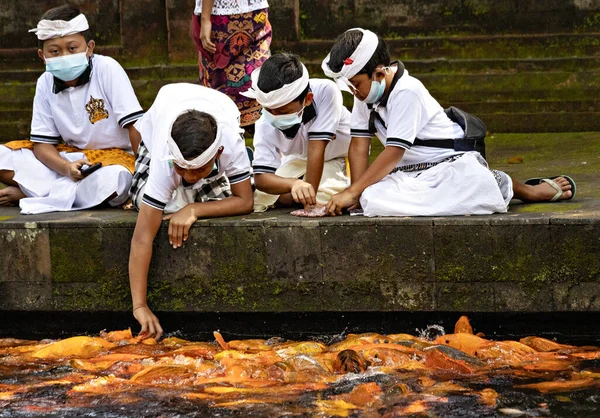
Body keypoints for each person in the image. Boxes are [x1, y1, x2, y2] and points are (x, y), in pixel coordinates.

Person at [321, 28, 575, 217]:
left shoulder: (407, 90)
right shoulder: (364, 94)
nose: (354, 92)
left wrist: (352, 193)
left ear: (378, 73)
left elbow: (394, 152)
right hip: (411, 173)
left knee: (470, 183)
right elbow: (358, 146)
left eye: (356, 85)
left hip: (449, 163)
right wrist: (356, 191)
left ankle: (516, 188)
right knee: (373, 200)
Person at [128, 83, 253, 338]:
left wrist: (195, 209)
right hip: (160, 128)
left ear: (218, 153)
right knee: (144, 202)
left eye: (196, 170)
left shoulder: (229, 143)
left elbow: (245, 201)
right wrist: (139, 306)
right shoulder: (165, 155)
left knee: (215, 197)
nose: (187, 175)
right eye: (181, 168)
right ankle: (181, 191)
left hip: (218, 114)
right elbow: (142, 236)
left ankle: (203, 186)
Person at [0, 5, 143, 213]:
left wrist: (144, 174)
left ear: (89, 48)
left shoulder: (107, 68)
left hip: (115, 161)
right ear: (42, 55)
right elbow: (42, 145)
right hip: (72, 160)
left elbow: (134, 125)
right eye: (55, 51)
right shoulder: (45, 83)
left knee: (115, 182)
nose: (64, 56)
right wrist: (66, 168)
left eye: (72, 48)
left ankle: (32, 193)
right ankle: (58, 192)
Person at [241, 53, 351, 212]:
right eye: (268, 109)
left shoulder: (327, 91)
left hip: (339, 155)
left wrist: (309, 201)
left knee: (326, 198)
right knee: (260, 197)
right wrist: (294, 184)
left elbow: (316, 147)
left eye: (282, 110)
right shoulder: (264, 122)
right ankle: (298, 187)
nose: (274, 115)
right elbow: (261, 178)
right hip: (298, 159)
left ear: (307, 99)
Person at [192, 0, 271, 130]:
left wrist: (205, 19)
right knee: (259, 83)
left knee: (220, 92)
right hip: (254, 14)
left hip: (223, 19)